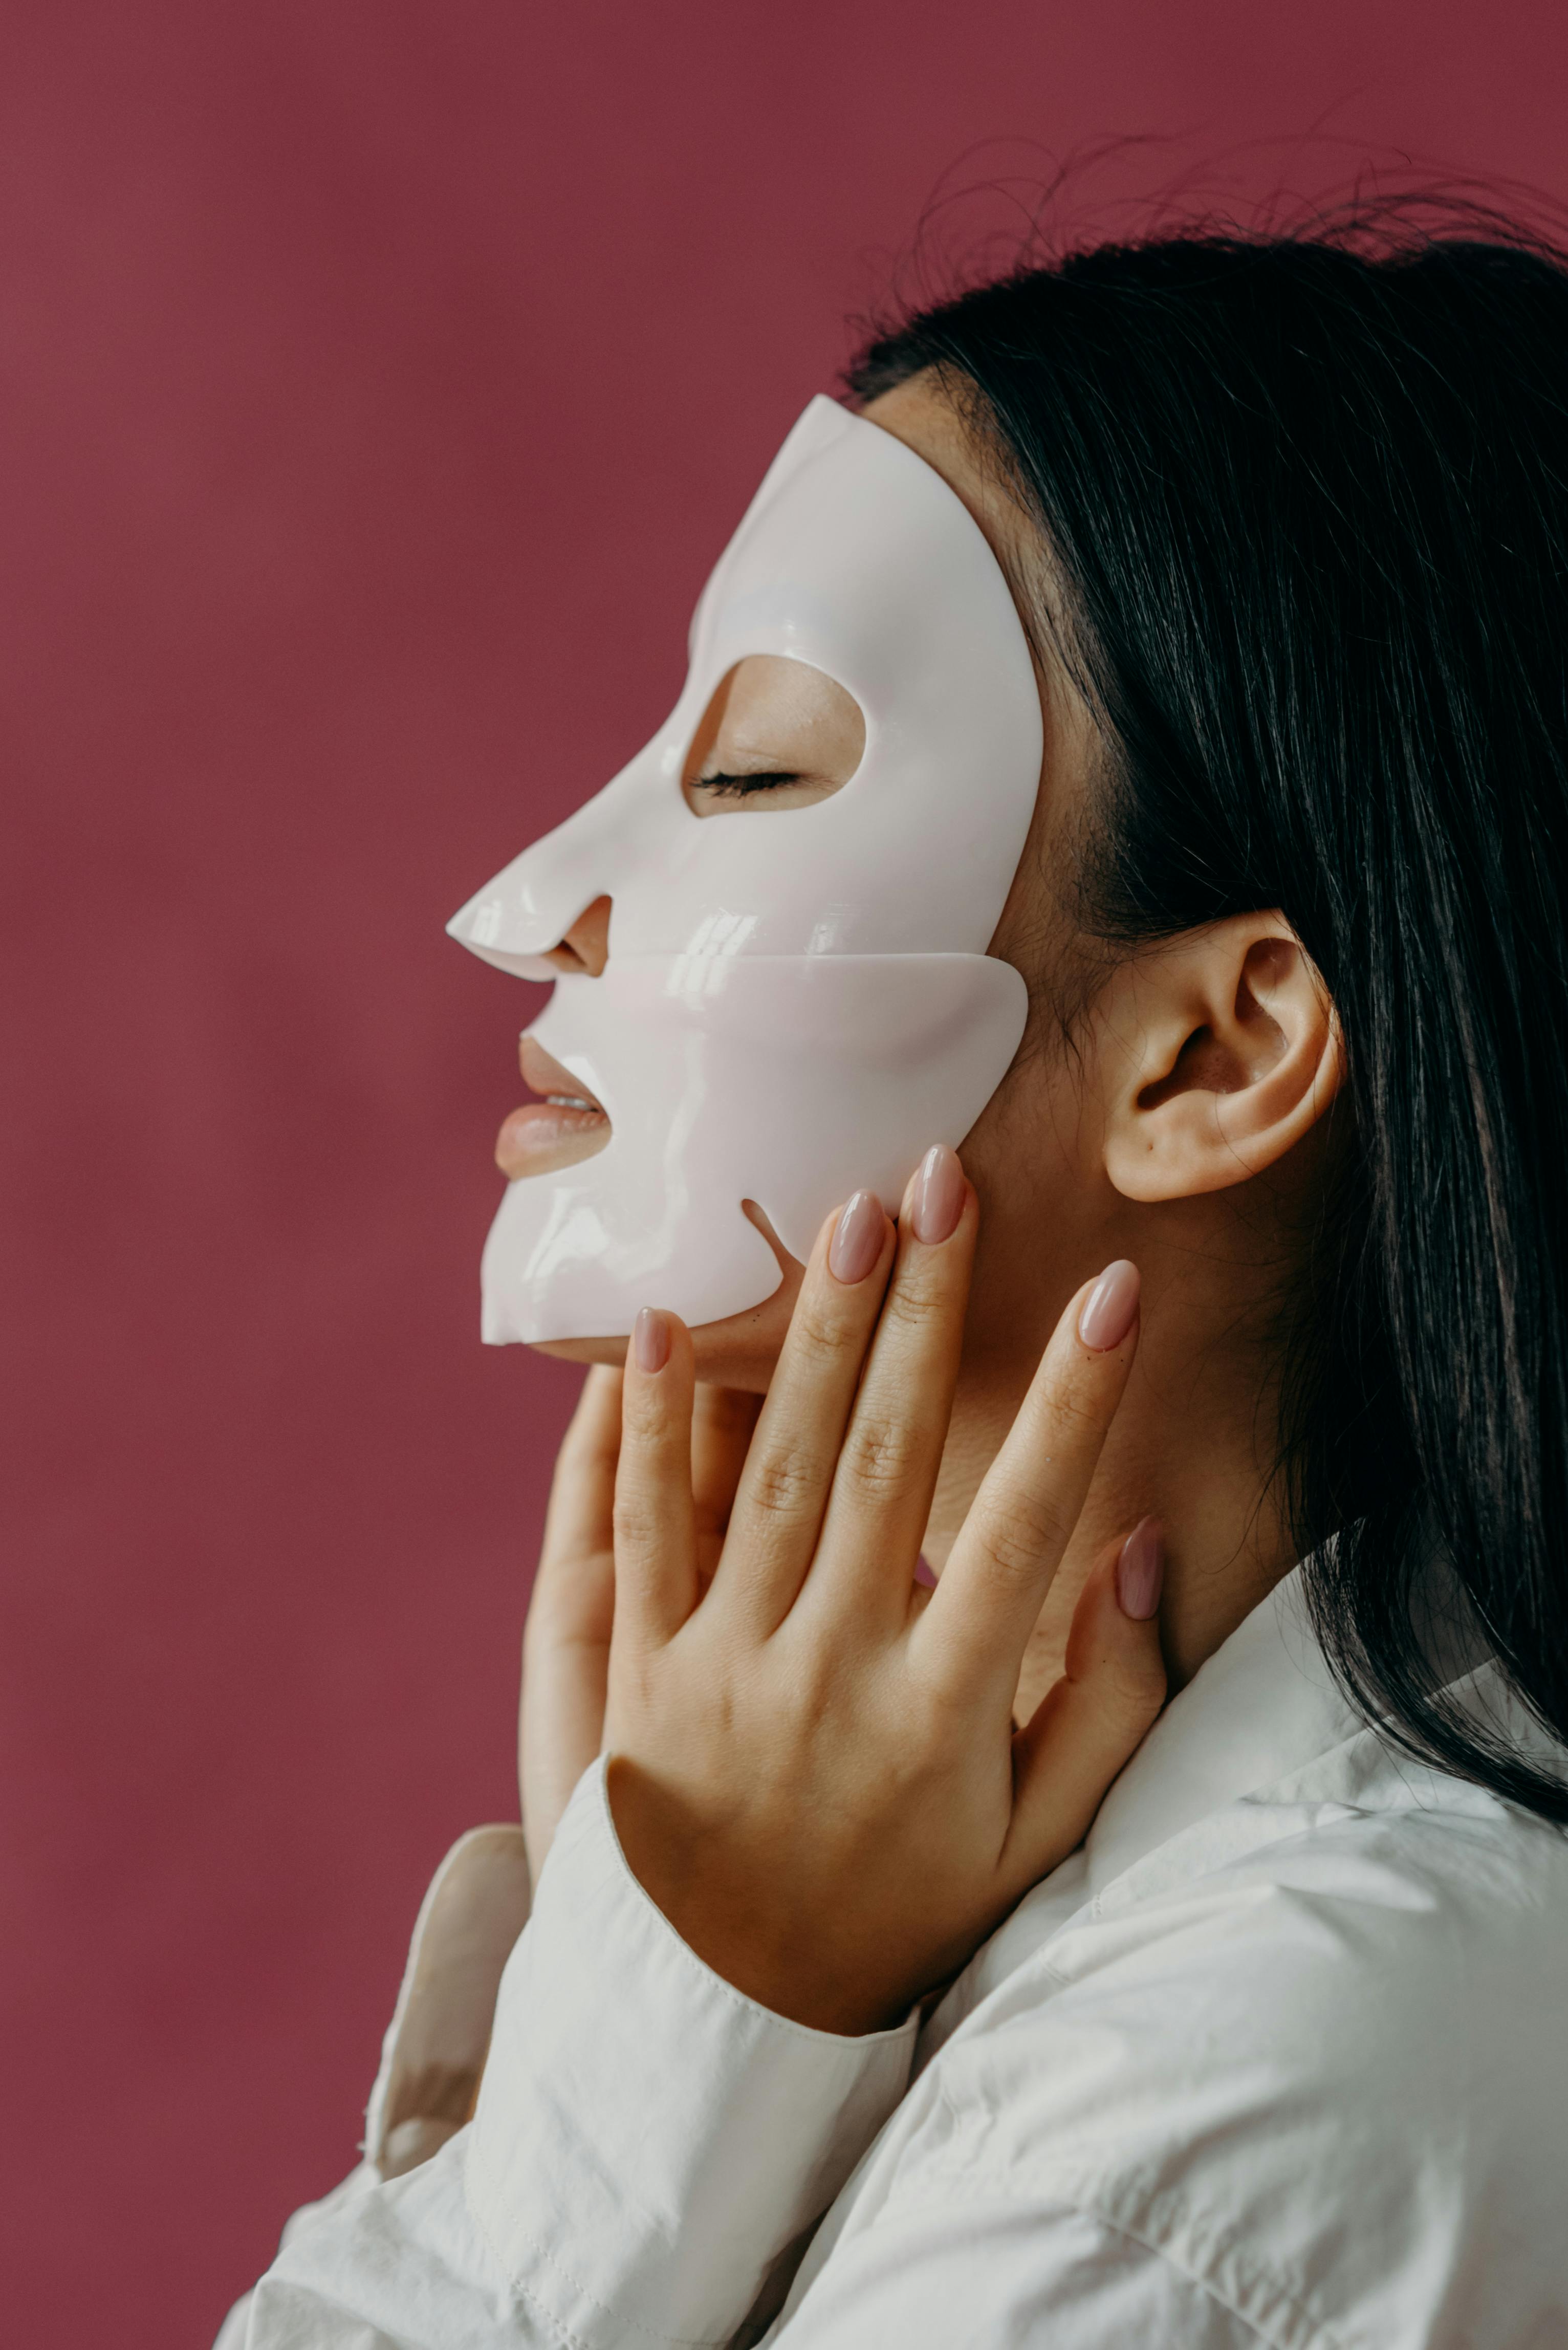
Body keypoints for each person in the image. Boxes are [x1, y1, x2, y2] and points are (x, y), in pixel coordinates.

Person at [222, 211, 1568, 2347]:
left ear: (1215, 1052)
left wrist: (653, 2056)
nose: (533, 899)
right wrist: (682, 1964)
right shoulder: (1160, 1975)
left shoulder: (1215, 2109)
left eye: (753, 774)